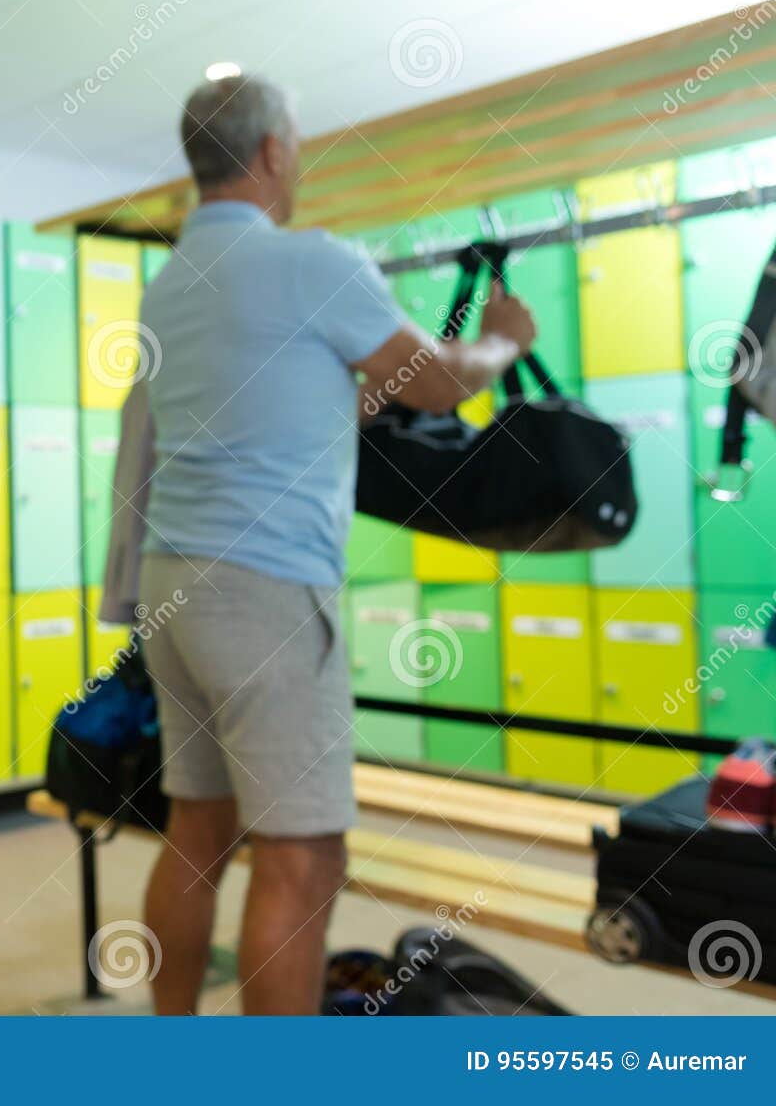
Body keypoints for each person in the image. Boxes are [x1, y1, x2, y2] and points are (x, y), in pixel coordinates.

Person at [132, 75, 536, 1014]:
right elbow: (436, 384)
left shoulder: (168, 281)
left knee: (198, 827)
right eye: (299, 142)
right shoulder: (315, 261)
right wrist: (505, 341)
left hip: (173, 584)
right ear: (273, 150)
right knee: (304, 852)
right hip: (266, 589)